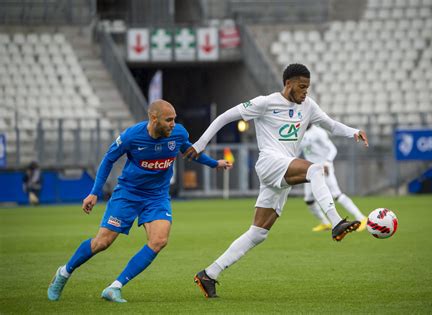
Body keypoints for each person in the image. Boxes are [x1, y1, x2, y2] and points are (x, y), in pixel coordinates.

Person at [183, 63, 369, 298]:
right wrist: (200, 144)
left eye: (308, 87)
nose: (305, 92)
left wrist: (354, 131)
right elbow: (224, 117)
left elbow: (330, 125)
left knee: (258, 233)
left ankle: (209, 274)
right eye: (301, 87)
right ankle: (335, 223)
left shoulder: (308, 106)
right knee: (314, 170)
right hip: (270, 162)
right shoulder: (265, 102)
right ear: (288, 83)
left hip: (283, 169)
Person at [47, 99, 232, 303]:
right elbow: (108, 159)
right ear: (154, 118)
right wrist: (94, 192)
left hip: (157, 196)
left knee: (159, 240)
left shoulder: (178, 133)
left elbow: (190, 152)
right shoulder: (131, 136)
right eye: (169, 120)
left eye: (174, 119)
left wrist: (214, 163)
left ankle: (114, 287)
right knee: (102, 242)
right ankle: (63, 273)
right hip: (128, 193)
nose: (173, 124)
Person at [300, 124, 367, 232]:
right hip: (311, 170)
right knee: (309, 200)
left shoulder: (318, 132)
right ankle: (325, 223)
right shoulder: (300, 132)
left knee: (337, 195)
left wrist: (327, 162)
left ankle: (362, 218)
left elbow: (332, 149)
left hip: (324, 168)